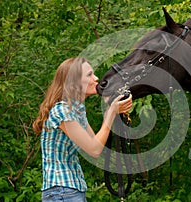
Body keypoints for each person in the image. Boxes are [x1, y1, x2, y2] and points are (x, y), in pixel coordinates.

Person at [32, 57, 132, 202]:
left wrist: (110, 108)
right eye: (89, 75)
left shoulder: (76, 110)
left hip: (69, 191)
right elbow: (94, 149)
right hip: (62, 192)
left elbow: (95, 145)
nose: (96, 78)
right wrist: (111, 113)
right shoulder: (62, 111)